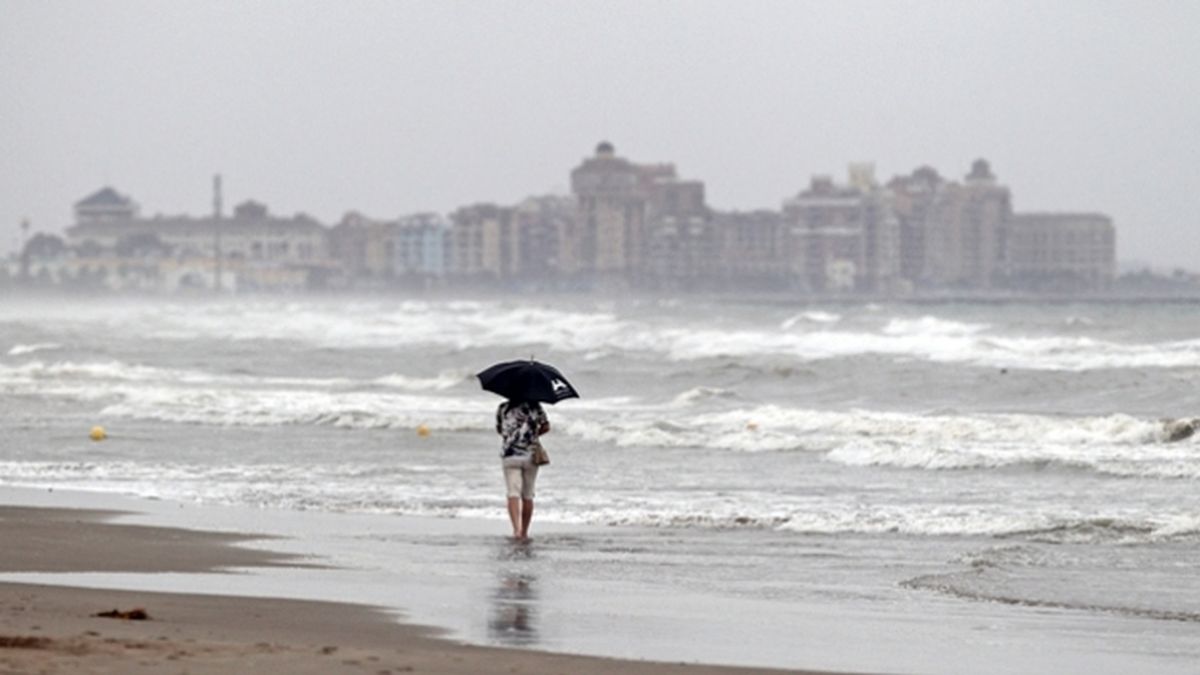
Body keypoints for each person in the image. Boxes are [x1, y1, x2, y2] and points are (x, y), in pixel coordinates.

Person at [495, 398, 550, 539]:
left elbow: (500, 429)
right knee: (528, 494)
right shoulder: (535, 406)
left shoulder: (503, 407)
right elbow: (546, 426)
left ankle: (516, 529)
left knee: (513, 492)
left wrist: (512, 437)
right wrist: (532, 435)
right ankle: (525, 531)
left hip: (509, 454)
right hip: (530, 455)